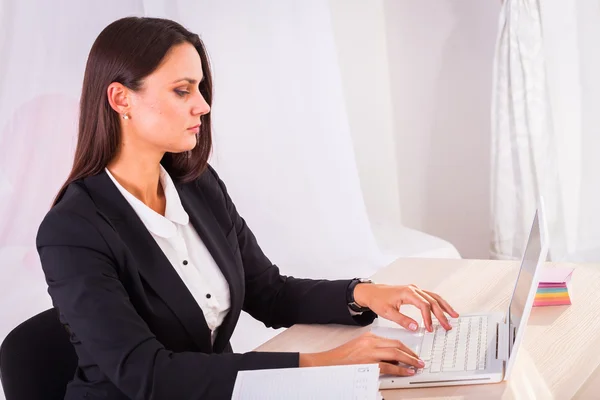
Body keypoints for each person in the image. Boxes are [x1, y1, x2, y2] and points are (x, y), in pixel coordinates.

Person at [36, 16, 459, 400]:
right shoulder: (72, 230)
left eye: (200, 88)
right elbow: (148, 374)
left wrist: (363, 293)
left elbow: (267, 292)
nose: (202, 105)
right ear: (120, 99)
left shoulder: (197, 185)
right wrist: (322, 364)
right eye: (182, 90)